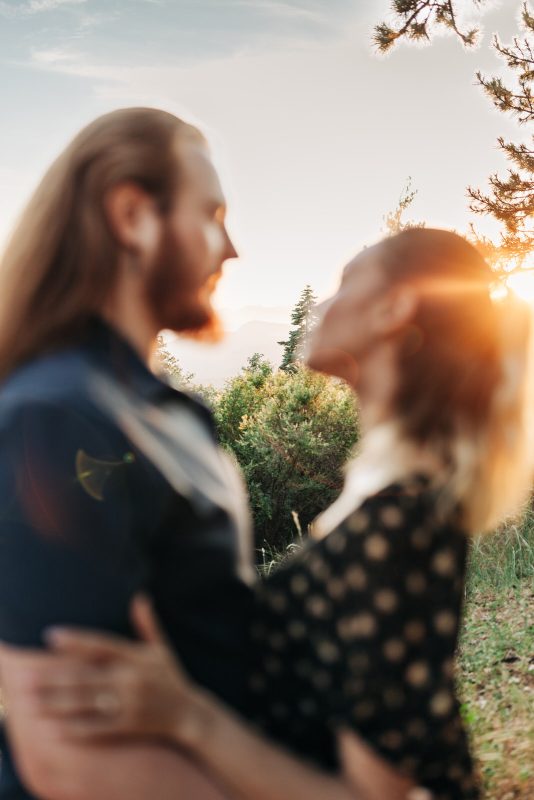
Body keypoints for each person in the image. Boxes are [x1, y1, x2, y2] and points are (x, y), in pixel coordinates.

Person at [2, 230, 532, 800]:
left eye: (343, 284)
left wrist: (186, 714)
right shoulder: (384, 488)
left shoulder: (401, 517)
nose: (320, 305)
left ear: (392, 309)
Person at [0, 107, 413, 800]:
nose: (231, 248)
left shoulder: (174, 415)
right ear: (134, 217)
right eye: (211, 213)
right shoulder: (53, 419)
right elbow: (73, 760)